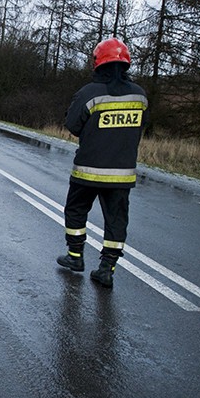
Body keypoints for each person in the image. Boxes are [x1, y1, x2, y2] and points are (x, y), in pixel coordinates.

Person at [56, 37, 149, 288]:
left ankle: (75, 257)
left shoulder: (89, 93)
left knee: (76, 211)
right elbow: (140, 128)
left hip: (87, 170)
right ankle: (107, 269)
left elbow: (73, 126)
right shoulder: (140, 96)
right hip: (122, 175)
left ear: (98, 63)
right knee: (116, 221)